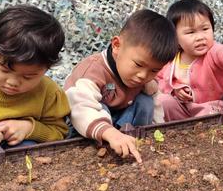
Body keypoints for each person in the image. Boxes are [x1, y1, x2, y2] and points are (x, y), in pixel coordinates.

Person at [65, 9, 177, 162]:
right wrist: (109, 132)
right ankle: (102, 147)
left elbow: (156, 104)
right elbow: (80, 107)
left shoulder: (144, 79)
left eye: (154, 70)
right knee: (100, 107)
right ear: (117, 45)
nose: (143, 75)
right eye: (138, 64)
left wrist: (159, 132)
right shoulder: (93, 71)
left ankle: (133, 140)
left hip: (117, 120)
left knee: (145, 101)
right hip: (84, 123)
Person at [157, 0, 223, 121]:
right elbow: (158, 79)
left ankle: (200, 134)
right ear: (175, 37)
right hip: (182, 110)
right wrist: (173, 91)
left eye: (205, 29)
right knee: (163, 101)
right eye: (190, 32)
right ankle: (174, 130)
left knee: (209, 114)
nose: (200, 37)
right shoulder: (171, 59)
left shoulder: (212, 53)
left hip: (210, 108)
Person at [0, 5, 70, 147]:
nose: (12, 82)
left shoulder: (49, 93)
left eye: (28, 76)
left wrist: (30, 128)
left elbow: (60, 133)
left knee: (27, 145)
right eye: (4, 69)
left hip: (18, 156)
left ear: (46, 69)